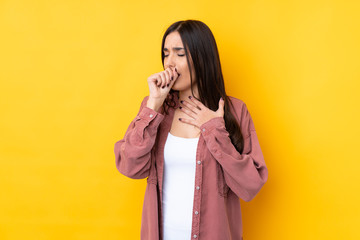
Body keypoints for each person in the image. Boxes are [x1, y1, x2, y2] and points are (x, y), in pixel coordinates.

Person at [114, 19, 268, 240]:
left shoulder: (234, 110)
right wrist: (153, 106)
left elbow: (251, 185)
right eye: (166, 53)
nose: (169, 63)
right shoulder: (155, 108)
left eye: (179, 53)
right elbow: (129, 166)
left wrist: (214, 129)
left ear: (202, 57)